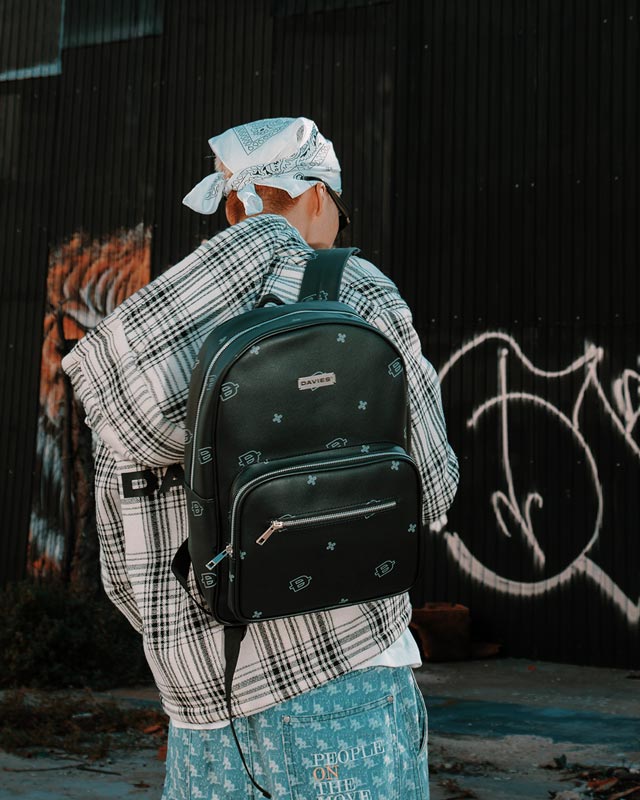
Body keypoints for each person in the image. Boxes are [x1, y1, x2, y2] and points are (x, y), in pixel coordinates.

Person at [62, 116, 458, 800]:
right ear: (315, 196)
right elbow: (433, 487)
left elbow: (121, 569)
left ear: (232, 208)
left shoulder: (140, 338)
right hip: (347, 680)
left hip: (198, 711)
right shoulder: (354, 292)